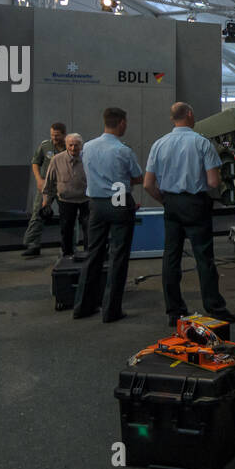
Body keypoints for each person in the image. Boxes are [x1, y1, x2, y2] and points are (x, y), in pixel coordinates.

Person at [144, 102, 235, 326]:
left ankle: (175, 312)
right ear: (189, 114)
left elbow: (149, 184)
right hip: (196, 204)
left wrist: (166, 200)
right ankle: (215, 309)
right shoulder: (202, 143)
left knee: (171, 258)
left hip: (171, 203)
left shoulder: (159, 144)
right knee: (204, 258)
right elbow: (213, 181)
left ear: (172, 118)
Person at [73, 107, 142, 322]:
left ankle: (82, 307)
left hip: (95, 203)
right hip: (118, 198)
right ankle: (111, 311)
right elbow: (138, 177)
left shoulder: (88, 148)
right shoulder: (123, 150)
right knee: (118, 256)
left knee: (93, 254)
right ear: (121, 123)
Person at [21, 122, 68, 258]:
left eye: (57, 136)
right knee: (38, 214)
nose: (54, 138)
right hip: (46, 186)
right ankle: (33, 244)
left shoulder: (69, 147)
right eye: (52, 135)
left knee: (66, 216)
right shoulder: (45, 145)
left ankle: (67, 246)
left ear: (64, 135)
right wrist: (38, 180)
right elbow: (35, 162)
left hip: (63, 186)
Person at [42, 133, 90, 258]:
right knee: (66, 229)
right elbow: (49, 183)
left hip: (86, 199)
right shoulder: (56, 159)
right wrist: (46, 202)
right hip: (66, 200)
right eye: (70, 145)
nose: (73, 148)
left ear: (81, 145)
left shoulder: (88, 159)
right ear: (66, 145)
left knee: (89, 228)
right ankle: (67, 254)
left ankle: (89, 254)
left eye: (76, 145)